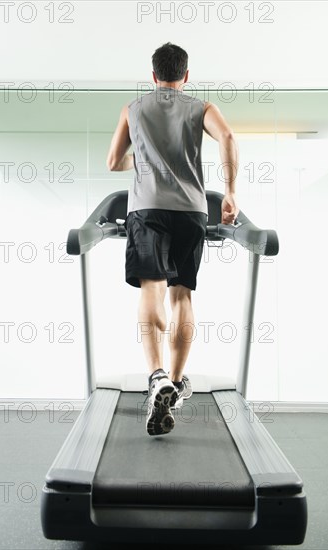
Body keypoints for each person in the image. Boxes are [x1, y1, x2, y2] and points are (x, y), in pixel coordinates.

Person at [106, 42, 239, 436]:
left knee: (152, 287)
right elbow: (228, 138)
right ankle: (177, 383)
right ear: (186, 76)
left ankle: (157, 376)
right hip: (192, 210)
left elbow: (114, 162)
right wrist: (231, 192)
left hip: (146, 207)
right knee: (182, 293)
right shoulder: (203, 108)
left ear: (152, 76)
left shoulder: (133, 109)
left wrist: (143, 158)